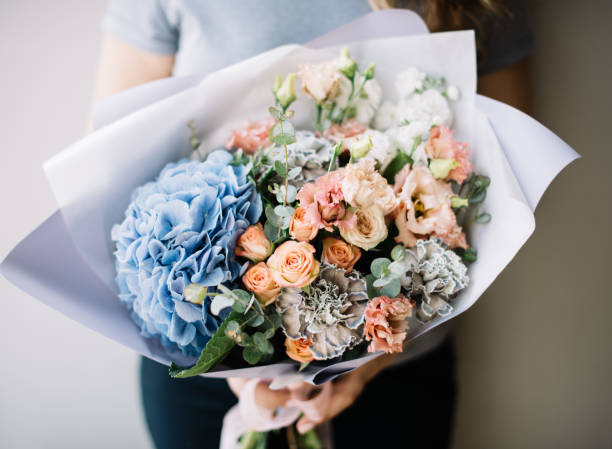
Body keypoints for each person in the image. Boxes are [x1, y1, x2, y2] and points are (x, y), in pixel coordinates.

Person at [94, 1, 533, 447]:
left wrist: (373, 354)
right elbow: (118, 150)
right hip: (201, 368)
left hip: (395, 375)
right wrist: (238, 362)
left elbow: (501, 176)